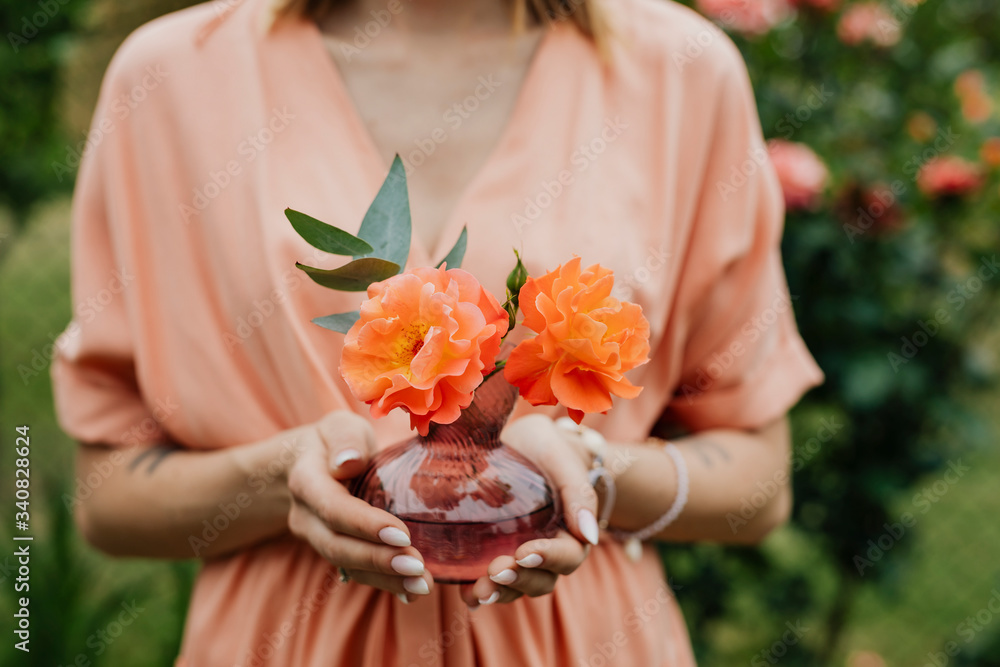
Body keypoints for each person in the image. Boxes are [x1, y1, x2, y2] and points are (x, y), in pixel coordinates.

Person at [52, 0, 824, 664]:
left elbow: (757, 485)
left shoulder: (682, 76)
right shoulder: (173, 83)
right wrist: (282, 477)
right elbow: (107, 498)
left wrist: (596, 474)